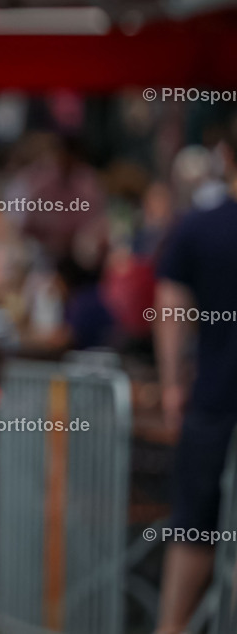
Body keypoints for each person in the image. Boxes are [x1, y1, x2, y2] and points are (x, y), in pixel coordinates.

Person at [154, 141, 237, 634]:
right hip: (211, 398)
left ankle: (172, 626)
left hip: (211, 397)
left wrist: (170, 385)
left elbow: (170, 310)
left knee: (193, 524)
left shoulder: (198, 228)